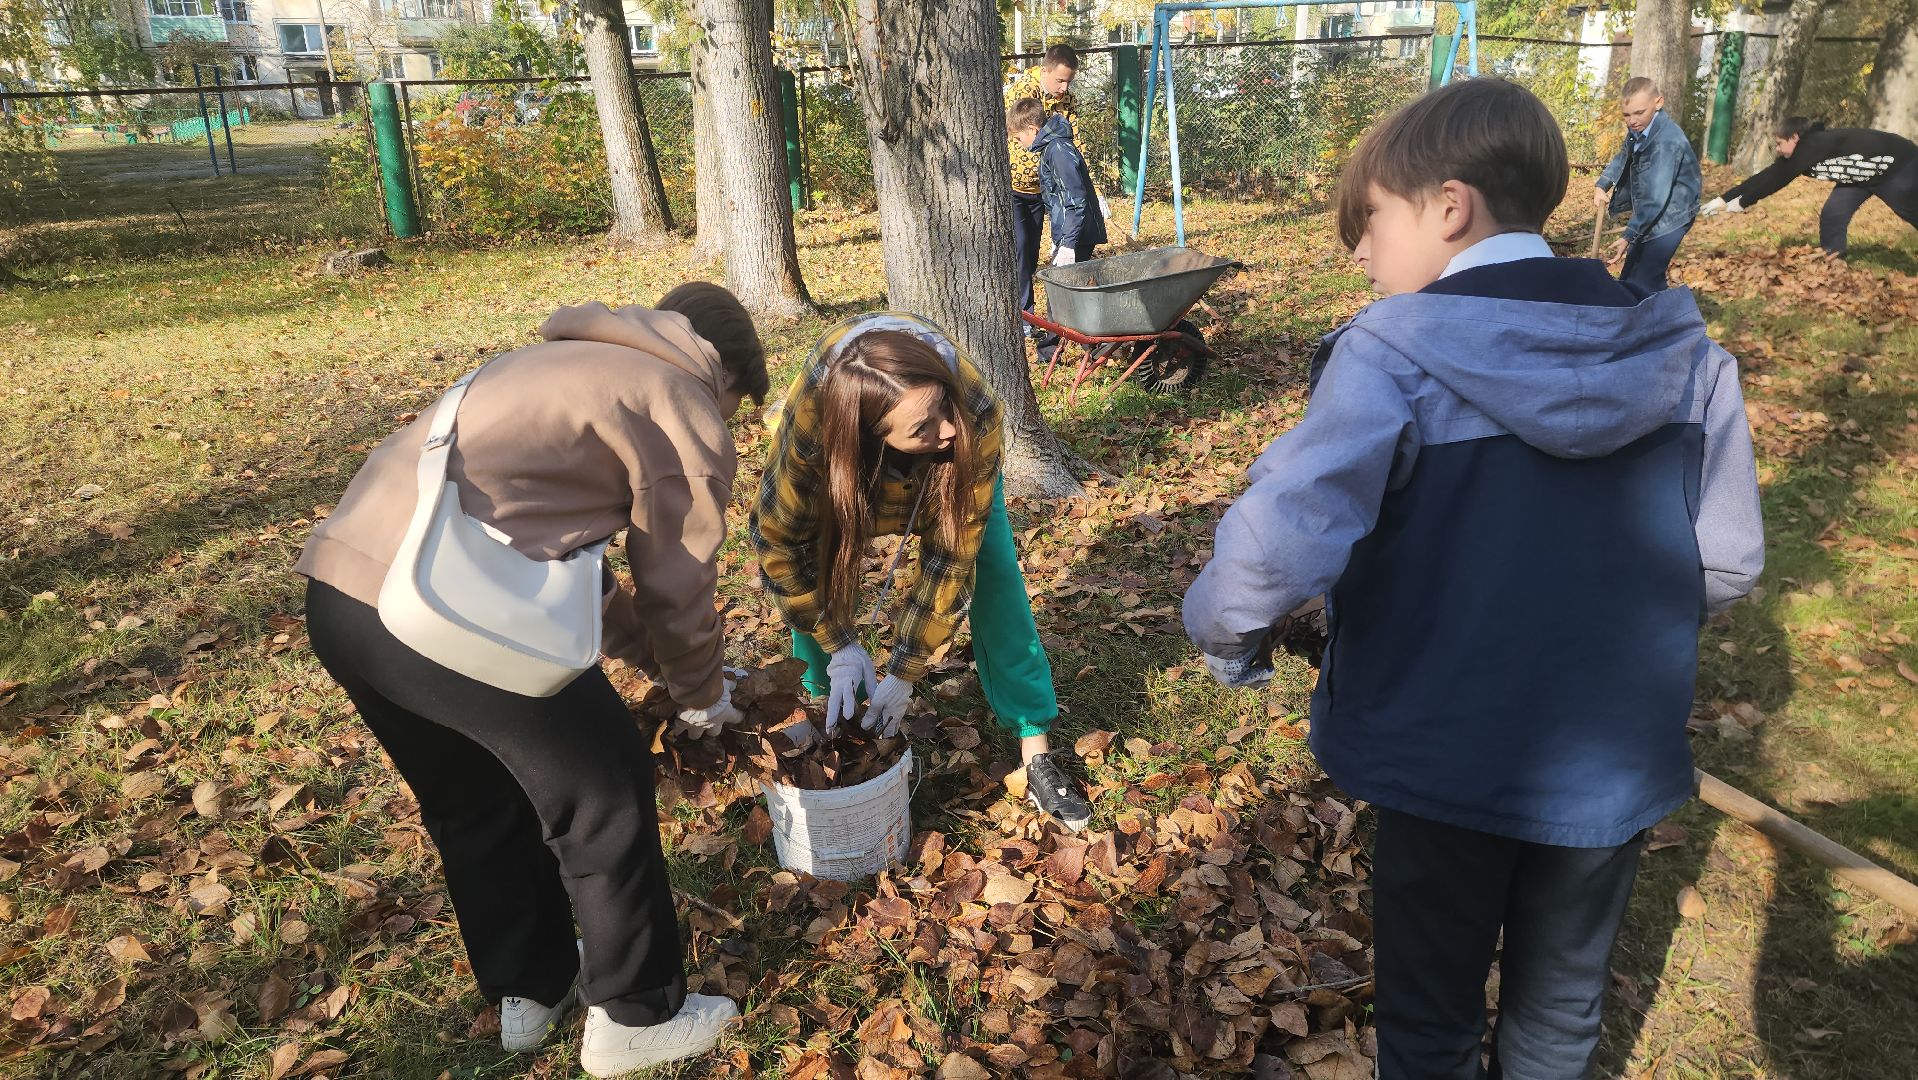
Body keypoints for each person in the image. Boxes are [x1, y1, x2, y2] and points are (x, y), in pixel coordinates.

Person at [1183, 79, 1764, 1078]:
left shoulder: (1391, 352)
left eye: (1369, 222)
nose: (1360, 254)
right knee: (1562, 1011)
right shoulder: (1683, 355)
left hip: (1438, 751)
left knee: (1429, 1017)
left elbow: (1277, 545)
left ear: (1449, 207)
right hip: (1610, 753)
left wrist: (1229, 639)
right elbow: (1727, 561)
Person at [296, 284, 768, 1076]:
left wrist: (662, 666)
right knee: (605, 787)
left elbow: (582, 582)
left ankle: (530, 987)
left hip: (343, 599)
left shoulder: (556, 367)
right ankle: (636, 1017)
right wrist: (701, 693)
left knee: (473, 800)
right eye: (737, 407)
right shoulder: (678, 397)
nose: (728, 423)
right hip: (441, 614)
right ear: (726, 371)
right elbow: (677, 581)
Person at [751, 313, 1093, 831]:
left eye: (942, 408)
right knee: (815, 573)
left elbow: (951, 559)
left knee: (995, 578)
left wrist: (906, 668)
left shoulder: (972, 411)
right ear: (869, 435)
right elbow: (781, 543)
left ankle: (1035, 747)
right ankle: (826, 713)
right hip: (844, 471)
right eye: (923, 426)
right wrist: (839, 643)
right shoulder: (813, 432)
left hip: (952, 476)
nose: (947, 429)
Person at [1701, 116, 1918, 258]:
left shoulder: (1812, 145)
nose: (1778, 149)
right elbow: (1767, 176)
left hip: (1897, 167)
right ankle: (1833, 259)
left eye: (1780, 143)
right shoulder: (1800, 153)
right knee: (1833, 213)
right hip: (1859, 177)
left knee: (1912, 212)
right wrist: (1724, 199)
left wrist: (1741, 203)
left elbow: (1777, 181)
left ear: (1794, 138)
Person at [1009, 96, 1109, 365]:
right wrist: (1059, 238)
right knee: (1066, 291)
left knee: (1059, 294)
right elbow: (1058, 199)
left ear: (1032, 129)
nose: (1019, 144)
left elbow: (1075, 199)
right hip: (1071, 231)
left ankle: (1056, 350)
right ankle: (1093, 345)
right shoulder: (1051, 148)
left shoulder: (1058, 151)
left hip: (1079, 233)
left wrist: (1068, 243)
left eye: (1019, 138)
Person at [1593, 76, 1701, 292]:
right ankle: (1645, 305)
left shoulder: (1667, 142)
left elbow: (1655, 198)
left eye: (1639, 113)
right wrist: (1602, 184)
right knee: (1630, 275)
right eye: (1626, 115)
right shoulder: (1639, 129)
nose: (1632, 121)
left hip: (1673, 215)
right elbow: (1623, 156)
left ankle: (1658, 310)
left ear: (1658, 102)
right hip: (1653, 210)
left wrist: (1628, 235)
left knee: (1644, 279)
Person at [1007, 44, 1081, 324]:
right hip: (1015, 187)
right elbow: (1011, 135)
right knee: (1021, 249)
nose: (1064, 87)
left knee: (1033, 252)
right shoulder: (1021, 92)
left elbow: (1076, 142)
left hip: (1044, 190)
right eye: (1060, 80)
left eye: (1068, 81)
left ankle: (1032, 318)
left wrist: (1094, 190)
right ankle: (1024, 318)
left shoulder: (1067, 100)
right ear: (1045, 71)